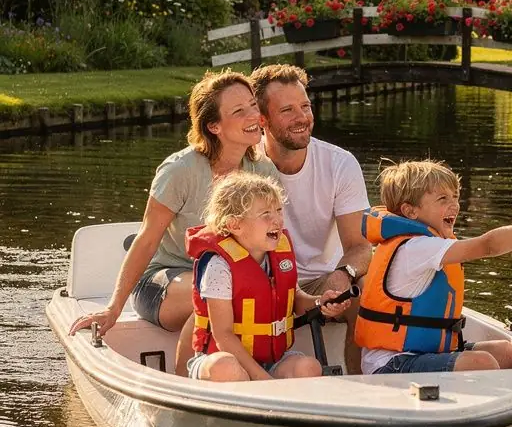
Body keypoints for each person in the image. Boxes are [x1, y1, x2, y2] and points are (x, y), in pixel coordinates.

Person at [70, 71, 274, 372]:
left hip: (235, 278)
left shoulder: (263, 170)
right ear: (213, 126)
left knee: (224, 288)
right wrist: (113, 309)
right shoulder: (180, 171)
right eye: (239, 111)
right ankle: (184, 387)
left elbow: (275, 238)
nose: (253, 115)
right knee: (210, 292)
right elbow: (147, 239)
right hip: (164, 280)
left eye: (253, 105)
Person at [355, 159, 512, 375]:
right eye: (442, 199)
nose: (454, 205)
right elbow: (489, 245)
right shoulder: (418, 248)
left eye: (455, 196)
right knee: (482, 363)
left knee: (509, 353)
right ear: (410, 211)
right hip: (391, 364)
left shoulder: (428, 242)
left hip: (420, 353)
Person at [252, 63, 371, 373]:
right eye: (288, 110)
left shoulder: (340, 163)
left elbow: (360, 246)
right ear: (262, 120)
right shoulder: (246, 164)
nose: (302, 117)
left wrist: (343, 272)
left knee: (367, 288)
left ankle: (362, 388)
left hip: (320, 281)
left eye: (305, 106)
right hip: (265, 280)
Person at [186, 171, 350, 383]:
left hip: (272, 360)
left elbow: (295, 300)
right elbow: (223, 335)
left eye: (279, 211)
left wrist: (320, 302)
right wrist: (261, 379)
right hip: (221, 360)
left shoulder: (277, 255)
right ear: (235, 225)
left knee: (309, 368)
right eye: (266, 215)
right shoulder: (219, 266)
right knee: (225, 368)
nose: (277, 220)